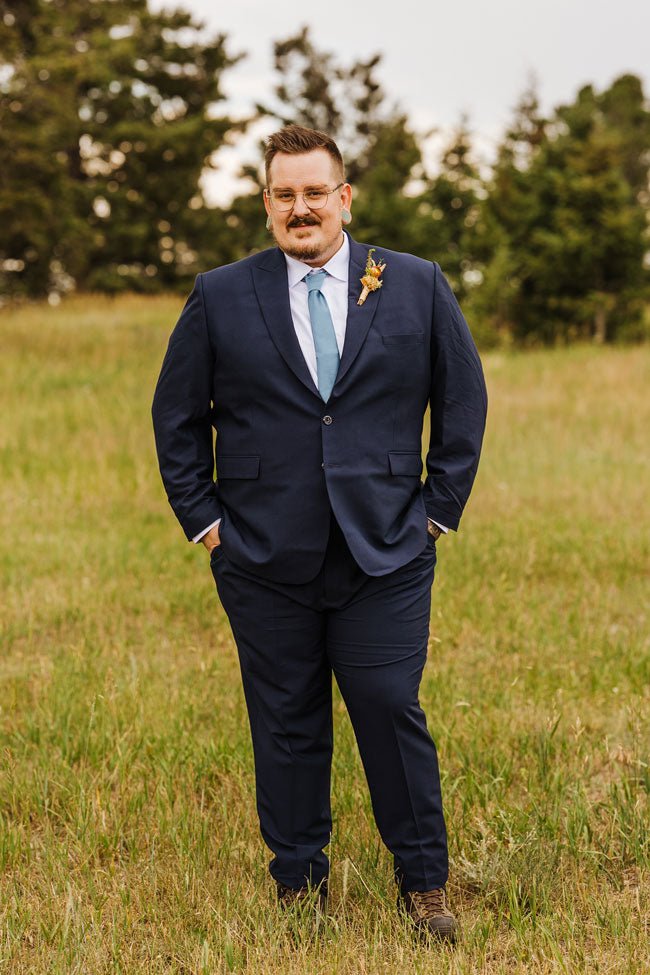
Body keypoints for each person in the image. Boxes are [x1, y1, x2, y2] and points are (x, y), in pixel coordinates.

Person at [151, 124, 487, 943]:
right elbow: (177, 419)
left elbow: (463, 398)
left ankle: (425, 882)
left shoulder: (413, 283)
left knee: (386, 704)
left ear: (344, 198)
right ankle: (299, 881)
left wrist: (437, 509)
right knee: (287, 719)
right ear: (267, 203)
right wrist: (207, 525)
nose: (300, 208)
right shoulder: (221, 294)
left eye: (315, 192)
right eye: (284, 194)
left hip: (388, 548)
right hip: (262, 555)